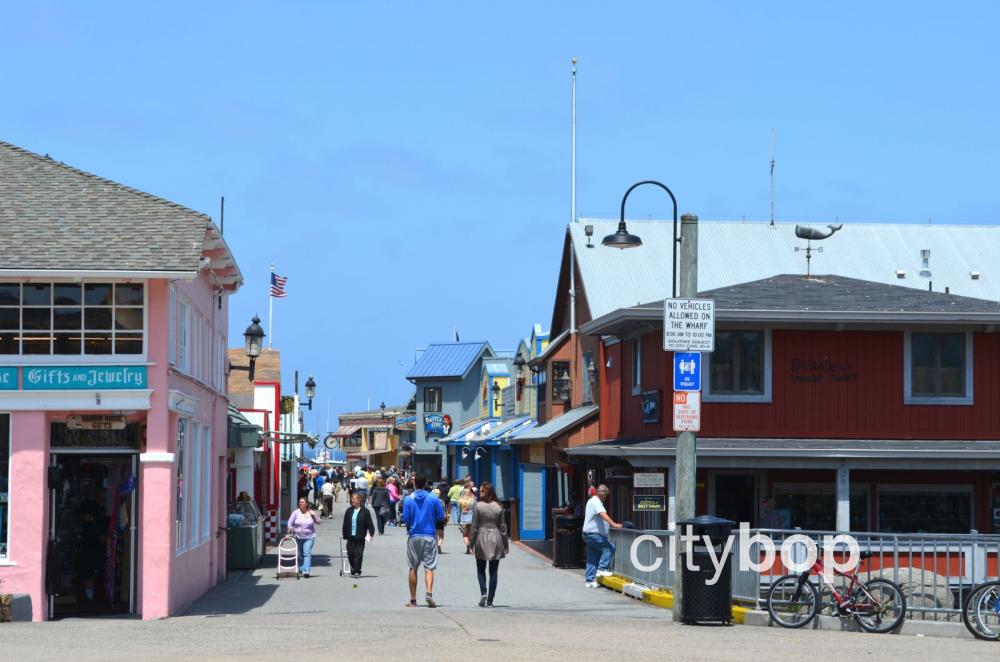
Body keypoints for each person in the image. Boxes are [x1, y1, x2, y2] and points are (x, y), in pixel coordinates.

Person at [402, 475, 445, 608]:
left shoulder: (409, 499)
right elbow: (441, 516)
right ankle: (429, 593)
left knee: (413, 567)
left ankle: (413, 599)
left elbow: (406, 518)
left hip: (414, 535)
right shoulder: (433, 498)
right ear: (425, 483)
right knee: (429, 567)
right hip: (429, 535)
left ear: (414, 483)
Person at [465, 481, 507, 607]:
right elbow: (503, 527)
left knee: (480, 568)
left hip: (481, 537)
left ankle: (483, 591)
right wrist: (505, 544)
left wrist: (470, 544)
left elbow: (474, 527)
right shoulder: (498, 507)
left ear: (486, 492)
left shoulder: (478, 506)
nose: (480, 492)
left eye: (482, 491)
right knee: (494, 571)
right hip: (496, 537)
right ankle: (490, 600)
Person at [582, 484, 623, 588]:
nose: (606, 497)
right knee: (609, 548)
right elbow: (602, 514)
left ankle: (589, 581)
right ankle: (602, 569)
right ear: (602, 494)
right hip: (593, 534)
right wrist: (614, 524)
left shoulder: (592, 501)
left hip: (588, 534)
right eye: (605, 495)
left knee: (592, 557)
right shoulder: (596, 502)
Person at [342, 492, 375, 577]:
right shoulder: (349, 510)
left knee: (359, 554)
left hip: (360, 536)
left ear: (359, 500)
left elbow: (369, 524)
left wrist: (371, 533)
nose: (352, 500)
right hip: (350, 536)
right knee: (350, 553)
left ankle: (357, 571)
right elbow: (345, 523)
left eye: (354, 499)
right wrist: (344, 534)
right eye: (352, 499)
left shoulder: (365, 511)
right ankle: (353, 567)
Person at [287, 497, 321, 578]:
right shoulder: (296, 513)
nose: (300, 504)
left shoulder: (311, 513)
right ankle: (301, 568)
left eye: (302, 502)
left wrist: (315, 515)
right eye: (300, 502)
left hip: (309, 536)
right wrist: (288, 533)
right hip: (298, 536)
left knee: (307, 553)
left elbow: (318, 522)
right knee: (301, 554)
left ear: (306, 504)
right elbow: (290, 524)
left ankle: (307, 571)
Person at [457, 485, 476, 554]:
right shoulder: (473, 501)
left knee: (465, 535)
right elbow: (475, 511)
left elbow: (458, 512)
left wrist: (458, 520)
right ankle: (471, 547)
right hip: (472, 520)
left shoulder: (460, 502)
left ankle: (467, 545)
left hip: (463, 521)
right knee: (471, 535)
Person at [431, 483, 450, 553]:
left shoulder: (430, 501)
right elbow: (444, 510)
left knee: (434, 534)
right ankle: (439, 544)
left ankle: (435, 547)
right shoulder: (442, 501)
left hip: (433, 519)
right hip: (440, 519)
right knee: (441, 535)